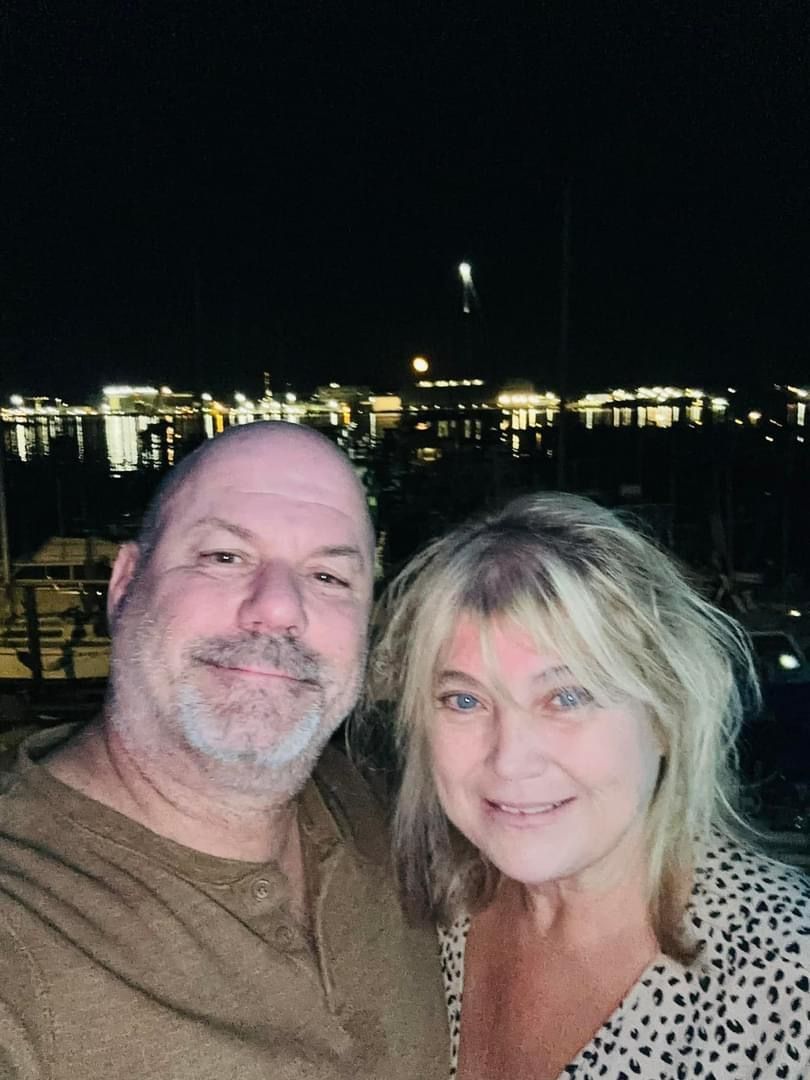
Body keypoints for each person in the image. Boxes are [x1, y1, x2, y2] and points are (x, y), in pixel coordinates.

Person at [0, 422, 448, 1080]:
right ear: (124, 586)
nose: (277, 609)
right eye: (224, 557)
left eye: (328, 575)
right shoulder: (22, 929)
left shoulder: (385, 812)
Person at [370, 492, 810, 1080]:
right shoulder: (429, 911)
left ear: (664, 717)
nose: (510, 760)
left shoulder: (787, 977)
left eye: (566, 697)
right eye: (465, 700)